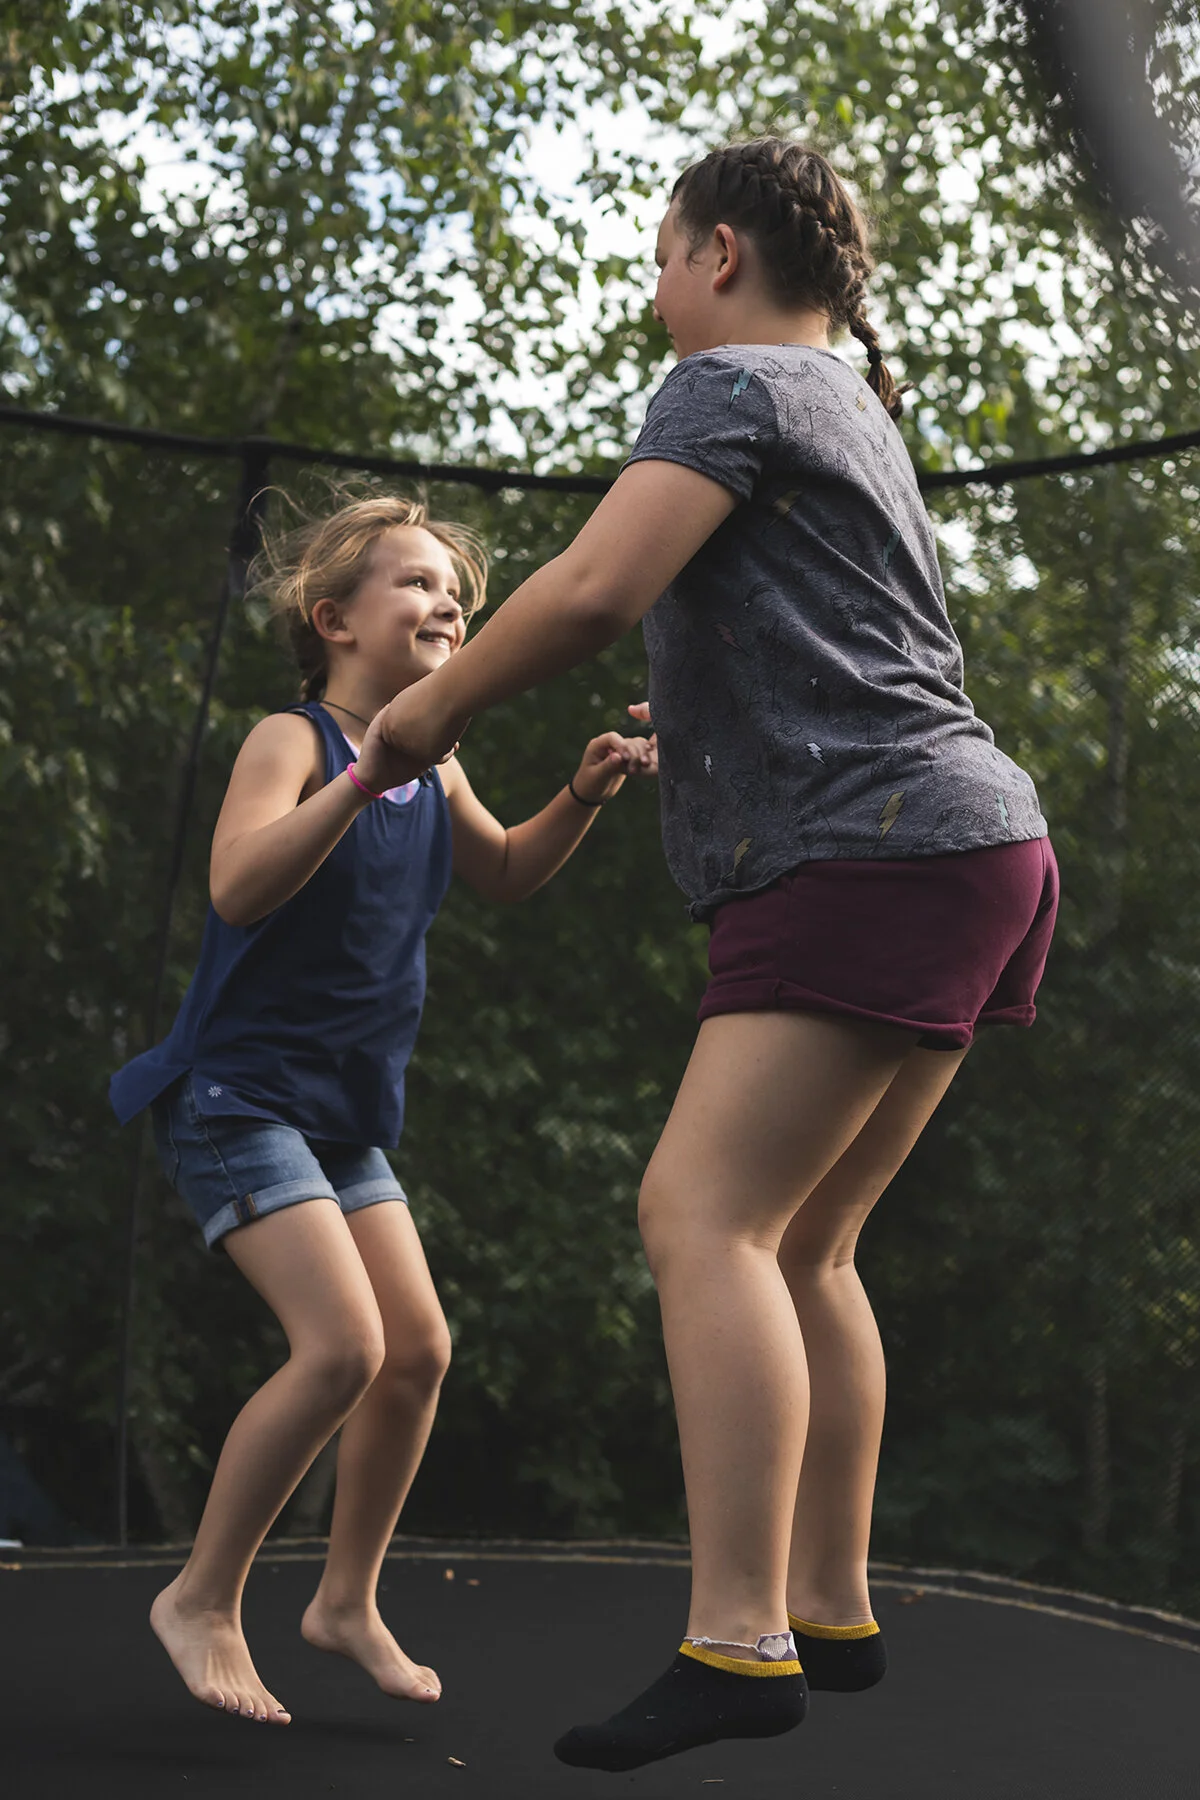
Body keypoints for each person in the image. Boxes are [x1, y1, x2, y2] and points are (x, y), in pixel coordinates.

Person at [374, 138, 1060, 1772]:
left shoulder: (730, 383)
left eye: (663, 253)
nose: (655, 284)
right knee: (811, 1242)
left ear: (724, 253)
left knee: (704, 1217)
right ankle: (829, 1604)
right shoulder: (857, 415)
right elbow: (855, 647)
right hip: (976, 843)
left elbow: (601, 591)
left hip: (874, 850)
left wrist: (425, 715)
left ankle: (737, 1640)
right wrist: (725, 750)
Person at [108, 489, 656, 1726]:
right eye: (412, 583)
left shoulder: (439, 759)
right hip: (236, 1094)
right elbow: (240, 889)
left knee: (416, 1353)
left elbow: (505, 871)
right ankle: (200, 1597)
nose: (444, 602)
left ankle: (344, 1600)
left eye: (452, 591)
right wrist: (361, 779)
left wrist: (583, 791)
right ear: (332, 620)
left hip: (341, 1116)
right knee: (343, 1348)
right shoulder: (294, 742)